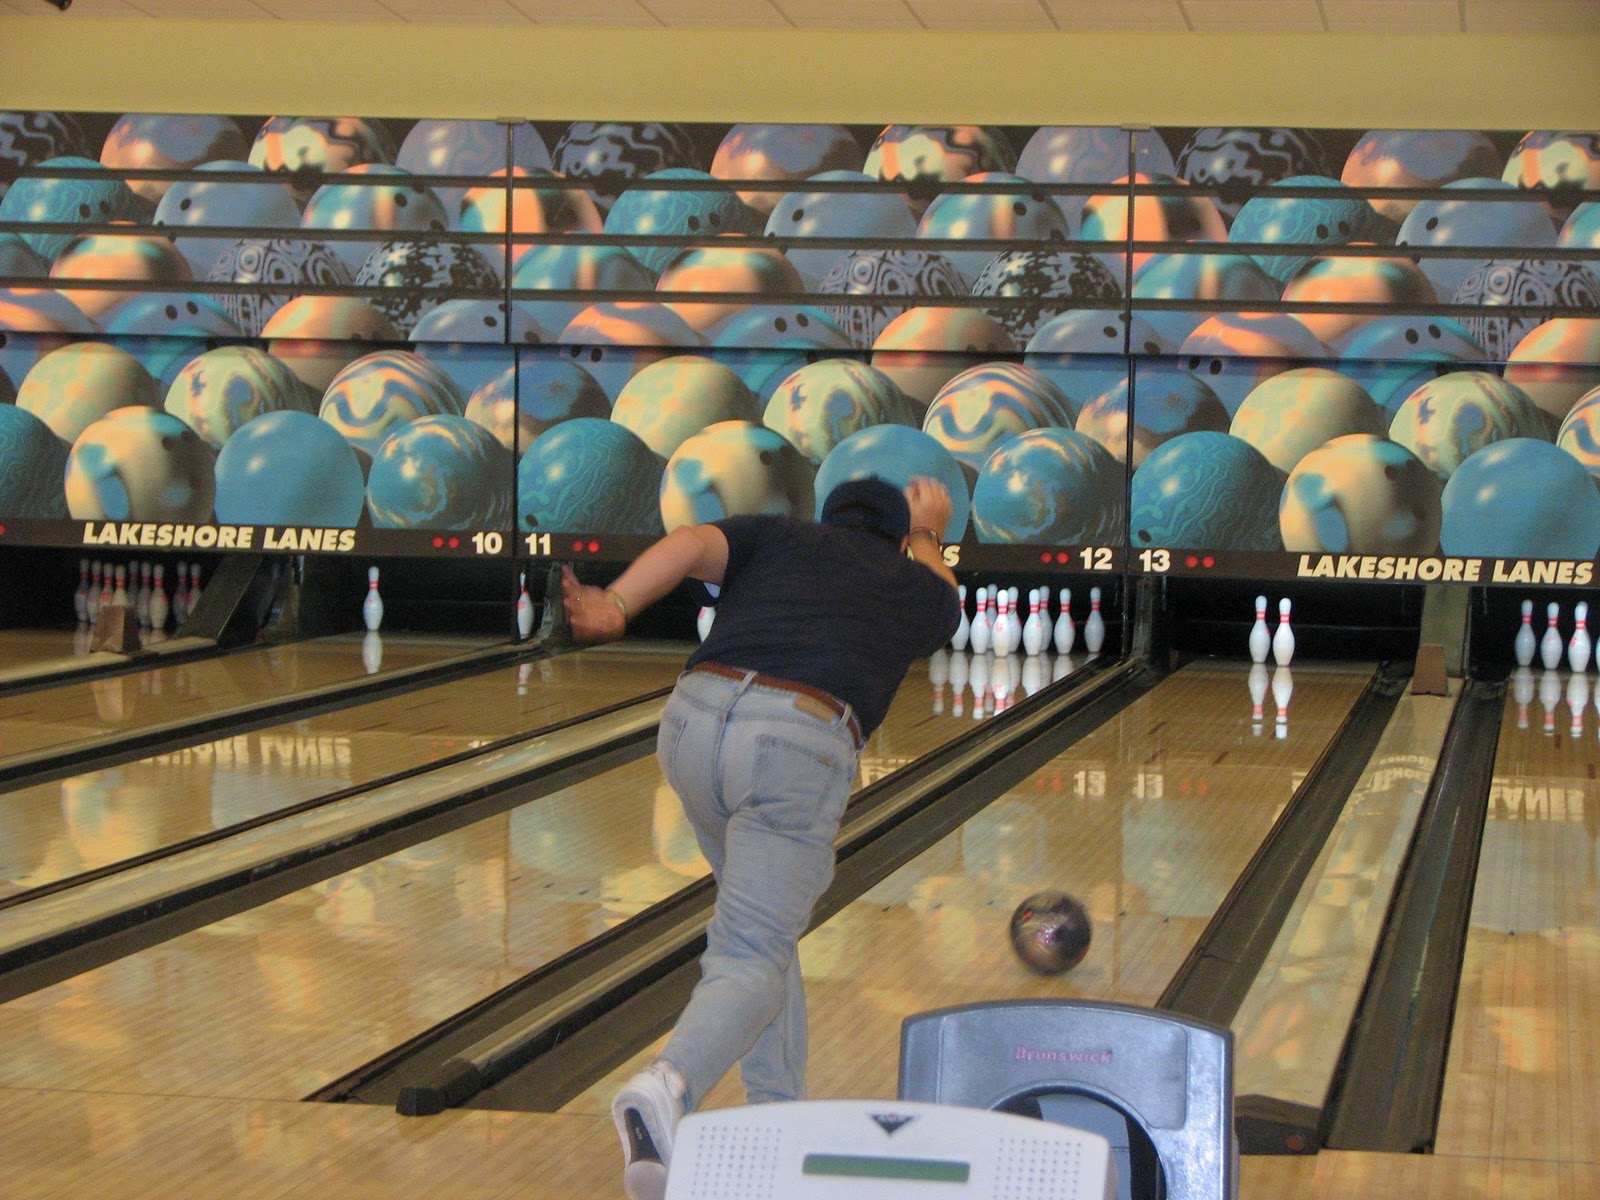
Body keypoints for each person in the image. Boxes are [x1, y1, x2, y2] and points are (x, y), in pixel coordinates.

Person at [562, 475, 961, 1200]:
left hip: (691, 723)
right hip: (794, 741)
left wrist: (616, 601)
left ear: (825, 518)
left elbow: (686, 545)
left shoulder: (778, 537)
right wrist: (932, 534)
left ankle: (774, 1117)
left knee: (761, 939)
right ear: (898, 538)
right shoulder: (907, 575)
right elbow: (947, 603)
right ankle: (668, 1090)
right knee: (751, 951)